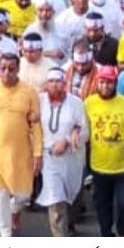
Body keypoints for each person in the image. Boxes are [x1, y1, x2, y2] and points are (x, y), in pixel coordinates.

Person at [0, 53, 42, 237]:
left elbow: (36, 126)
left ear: (18, 69)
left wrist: (38, 153)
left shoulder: (29, 92)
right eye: (3, 68)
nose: (6, 72)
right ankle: (5, 235)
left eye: (11, 68)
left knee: (23, 196)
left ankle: (14, 210)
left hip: (21, 152)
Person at [84, 64, 124, 237]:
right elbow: (83, 129)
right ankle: (106, 235)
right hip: (99, 166)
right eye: (102, 82)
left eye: (109, 83)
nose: (105, 86)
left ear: (115, 83)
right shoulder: (89, 103)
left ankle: (122, 230)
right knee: (103, 205)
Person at [36, 67, 88, 236]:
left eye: (58, 81)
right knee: (56, 199)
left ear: (65, 84)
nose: (54, 85)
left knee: (72, 199)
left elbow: (85, 132)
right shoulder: (39, 101)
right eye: (51, 81)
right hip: (49, 158)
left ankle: (69, 225)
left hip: (72, 159)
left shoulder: (76, 103)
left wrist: (67, 139)